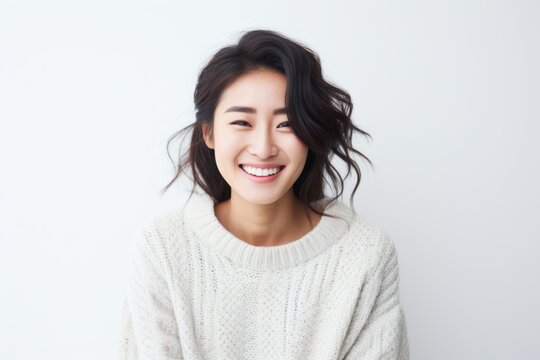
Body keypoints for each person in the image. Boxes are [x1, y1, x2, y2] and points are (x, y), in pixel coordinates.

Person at [116, 29, 409, 359]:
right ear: (209, 132)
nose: (264, 148)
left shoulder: (365, 255)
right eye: (242, 122)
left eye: (286, 125)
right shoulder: (163, 248)